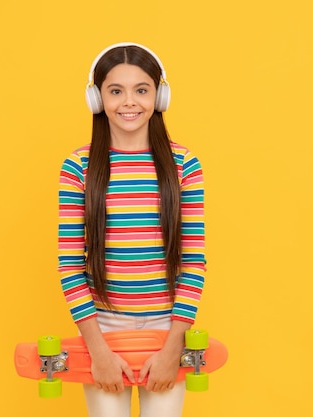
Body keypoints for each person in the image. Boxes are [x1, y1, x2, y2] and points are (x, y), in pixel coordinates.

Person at [57, 42, 206, 417]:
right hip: (103, 328)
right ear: (97, 98)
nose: (130, 102)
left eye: (141, 90)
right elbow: (70, 267)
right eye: (115, 90)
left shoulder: (184, 164)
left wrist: (174, 347)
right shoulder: (78, 167)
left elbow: (194, 261)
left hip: (166, 327)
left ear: (159, 96)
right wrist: (98, 350)